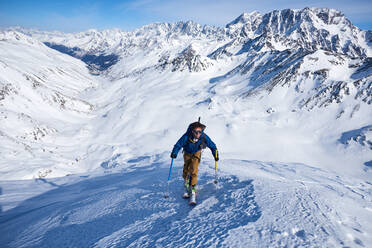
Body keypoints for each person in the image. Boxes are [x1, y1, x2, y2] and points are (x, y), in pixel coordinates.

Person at [171, 120, 218, 204]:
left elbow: (212, 145)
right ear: (192, 131)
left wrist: (215, 154)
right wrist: (174, 153)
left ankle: (193, 189)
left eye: (199, 131)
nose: (197, 134)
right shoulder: (186, 136)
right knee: (186, 169)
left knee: (193, 169)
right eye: (195, 132)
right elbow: (178, 144)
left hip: (197, 153)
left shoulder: (203, 137)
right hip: (187, 153)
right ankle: (186, 184)